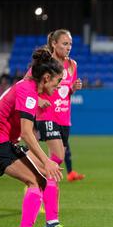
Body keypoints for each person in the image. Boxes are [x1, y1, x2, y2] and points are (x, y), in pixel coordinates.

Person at [0, 47, 78, 227]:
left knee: (43, 177)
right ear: (45, 78)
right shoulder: (28, 91)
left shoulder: (30, 86)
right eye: (57, 81)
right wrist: (47, 159)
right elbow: (27, 133)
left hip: (3, 141)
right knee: (35, 180)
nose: (58, 86)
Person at [32, 29, 85, 182]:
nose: (68, 47)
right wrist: (39, 100)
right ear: (54, 44)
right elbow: (27, 85)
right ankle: (35, 183)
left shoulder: (72, 65)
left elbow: (66, 91)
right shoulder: (45, 63)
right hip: (47, 114)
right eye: (65, 44)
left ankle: (39, 184)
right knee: (57, 157)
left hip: (64, 118)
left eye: (70, 44)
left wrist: (73, 89)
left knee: (57, 161)